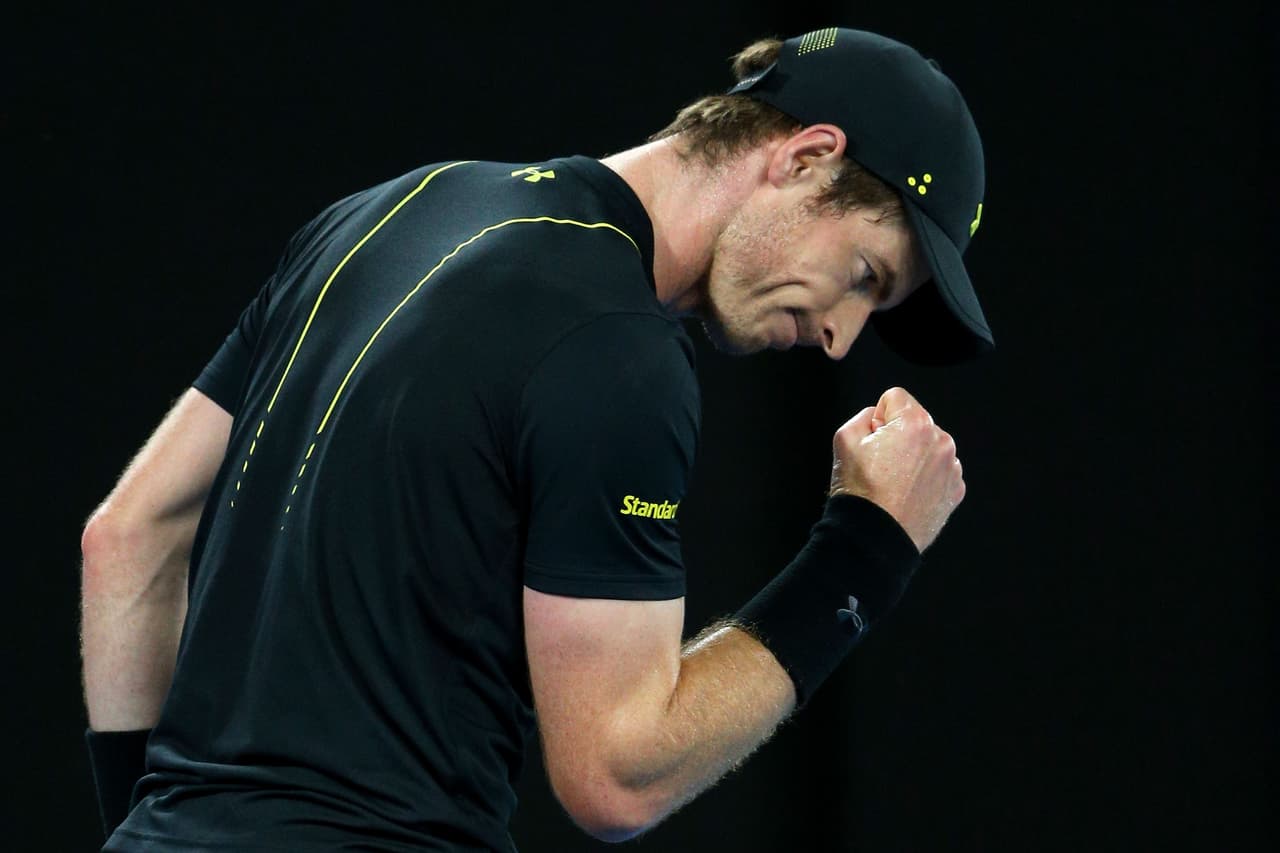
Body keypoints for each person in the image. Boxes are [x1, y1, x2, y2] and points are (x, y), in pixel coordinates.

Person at [80, 27, 991, 852]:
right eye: (866, 274)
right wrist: (868, 549)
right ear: (805, 157)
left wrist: (152, 829)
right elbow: (618, 775)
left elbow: (127, 535)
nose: (842, 334)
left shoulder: (390, 210)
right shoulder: (617, 346)